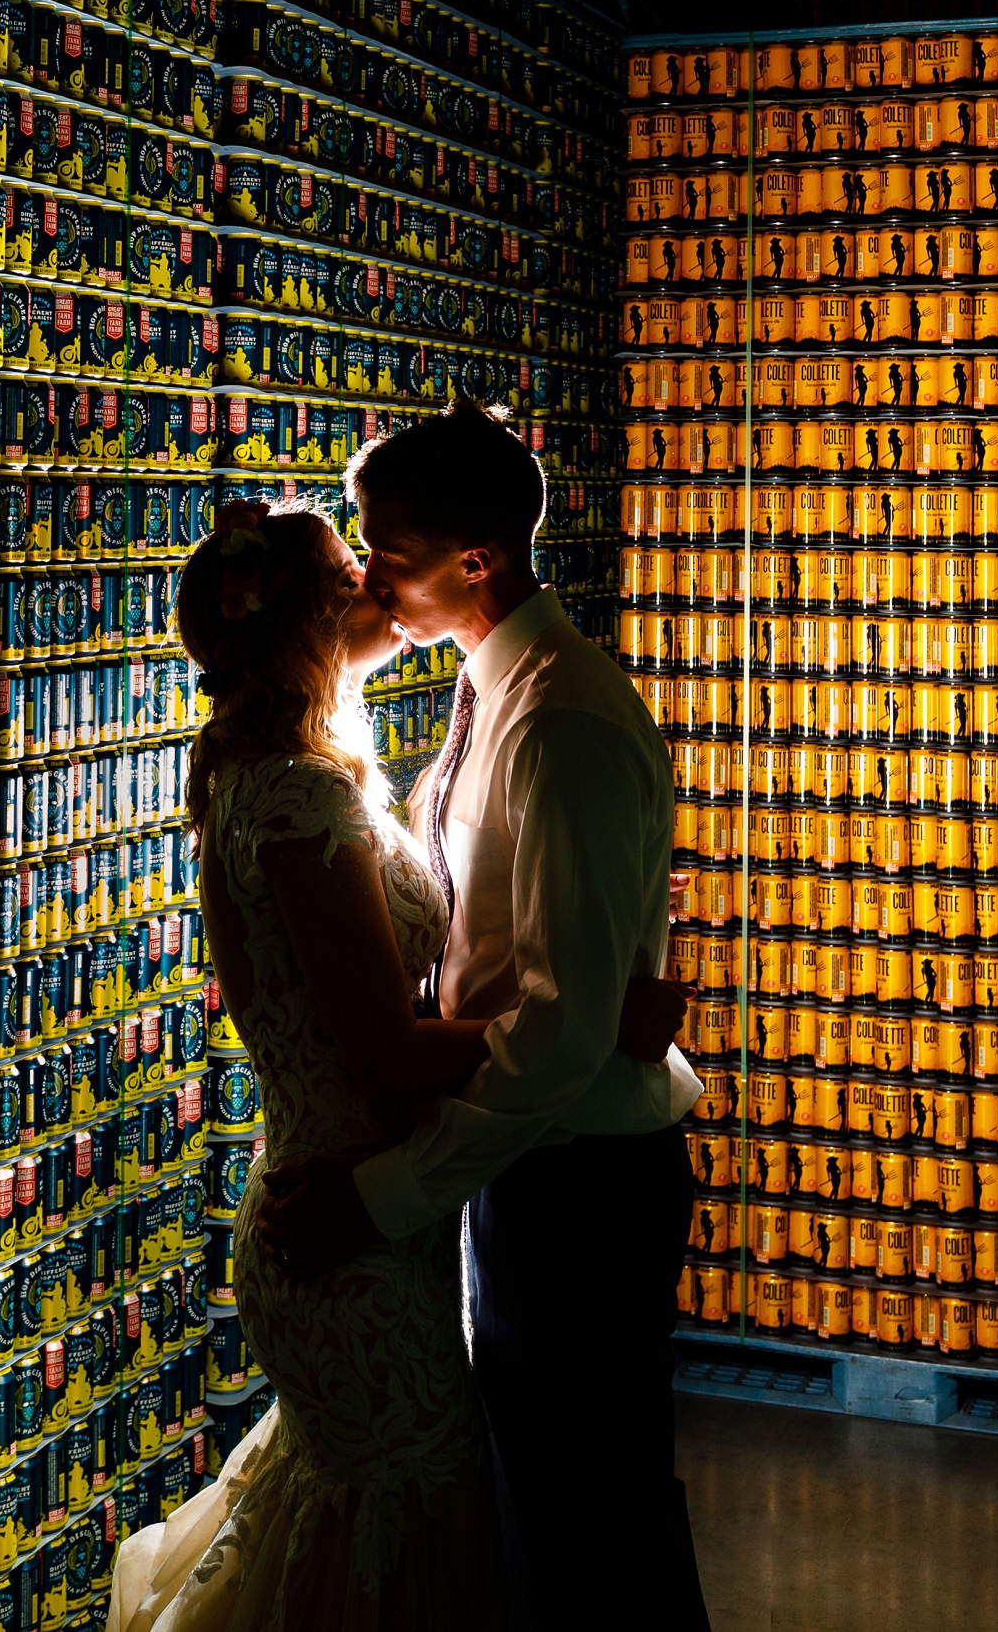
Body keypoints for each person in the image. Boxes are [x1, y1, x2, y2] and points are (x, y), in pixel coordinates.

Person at [109, 496, 684, 1632]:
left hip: (363, 1220)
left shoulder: (303, 768)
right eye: (346, 580)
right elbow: (384, 1055)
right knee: (397, 1526)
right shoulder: (295, 793)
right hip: (344, 1228)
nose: (376, 588)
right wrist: (585, 1019)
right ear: (301, 625)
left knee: (361, 1516)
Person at [252, 403, 710, 1632]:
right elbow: (521, 958)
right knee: (550, 1514)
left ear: (476, 562)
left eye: (387, 552)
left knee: (592, 1520)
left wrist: (389, 1192)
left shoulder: (556, 715)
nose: (369, 575)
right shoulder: (488, 692)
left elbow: (558, 1033)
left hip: (580, 1179)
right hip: (525, 1161)